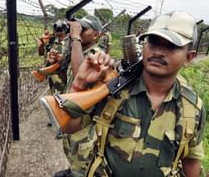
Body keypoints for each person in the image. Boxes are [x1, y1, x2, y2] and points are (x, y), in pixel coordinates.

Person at [59, 11, 206, 177]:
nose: (158, 51)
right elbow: (69, 127)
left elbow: (191, 159)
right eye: (153, 42)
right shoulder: (113, 87)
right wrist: (79, 85)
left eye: (171, 45)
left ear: (189, 57)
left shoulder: (192, 108)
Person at [54, 15, 106, 177]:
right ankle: (73, 169)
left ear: (96, 35)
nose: (78, 31)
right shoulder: (79, 53)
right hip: (73, 118)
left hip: (86, 123)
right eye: (77, 28)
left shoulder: (97, 55)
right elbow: (67, 81)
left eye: (83, 29)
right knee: (72, 153)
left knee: (84, 161)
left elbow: (80, 77)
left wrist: (75, 38)